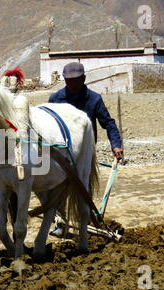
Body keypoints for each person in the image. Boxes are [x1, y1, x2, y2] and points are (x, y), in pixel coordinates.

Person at [49, 62, 124, 238]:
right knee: (59, 190)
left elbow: (108, 123)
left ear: (83, 79)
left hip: (85, 154)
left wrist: (116, 144)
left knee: (84, 189)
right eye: (69, 81)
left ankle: (86, 221)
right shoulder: (55, 99)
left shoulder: (94, 99)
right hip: (61, 153)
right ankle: (61, 224)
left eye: (76, 80)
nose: (73, 84)